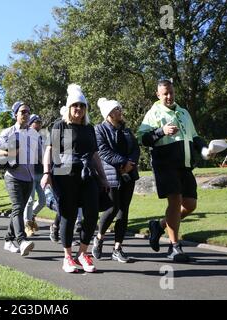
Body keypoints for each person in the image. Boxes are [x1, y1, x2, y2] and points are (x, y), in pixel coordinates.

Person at [137, 80, 215, 262]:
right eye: (165, 94)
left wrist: (205, 150)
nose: (169, 96)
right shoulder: (153, 113)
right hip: (165, 165)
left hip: (185, 164)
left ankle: (158, 226)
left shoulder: (184, 112)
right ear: (158, 95)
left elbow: (194, 136)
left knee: (190, 204)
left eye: (171, 92)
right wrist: (161, 131)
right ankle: (174, 247)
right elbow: (143, 138)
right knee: (175, 202)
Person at [41, 84, 110, 273]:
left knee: (91, 213)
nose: (78, 109)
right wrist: (47, 173)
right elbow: (50, 151)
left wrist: (103, 178)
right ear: (69, 107)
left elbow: (95, 155)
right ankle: (67, 257)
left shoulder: (89, 128)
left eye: (81, 106)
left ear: (85, 108)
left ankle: (83, 253)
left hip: (87, 174)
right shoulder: (60, 125)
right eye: (74, 106)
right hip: (64, 175)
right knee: (68, 215)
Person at [92, 98, 140, 263]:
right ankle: (99, 237)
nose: (120, 111)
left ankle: (117, 248)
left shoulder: (126, 130)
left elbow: (135, 148)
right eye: (117, 109)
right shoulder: (99, 129)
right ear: (109, 114)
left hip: (128, 174)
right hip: (111, 174)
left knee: (123, 211)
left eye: (119, 108)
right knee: (112, 208)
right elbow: (103, 151)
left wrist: (131, 163)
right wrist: (122, 163)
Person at [0, 101, 40, 257]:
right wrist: (7, 154)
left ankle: (8, 240)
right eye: (22, 112)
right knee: (18, 207)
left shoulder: (34, 134)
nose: (26, 114)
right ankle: (21, 241)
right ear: (15, 115)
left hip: (29, 178)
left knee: (17, 210)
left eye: (27, 112)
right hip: (13, 176)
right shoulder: (8, 132)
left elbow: (40, 154)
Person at [23, 114, 46, 237]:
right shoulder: (26, 137)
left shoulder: (41, 137)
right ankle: (27, 225)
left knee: (43, 201)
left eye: (40, 121)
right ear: (31, 123)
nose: (39, 123)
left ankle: (31, 216)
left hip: (41, 173)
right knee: (30, 200)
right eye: (36, 121)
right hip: (30, 173)